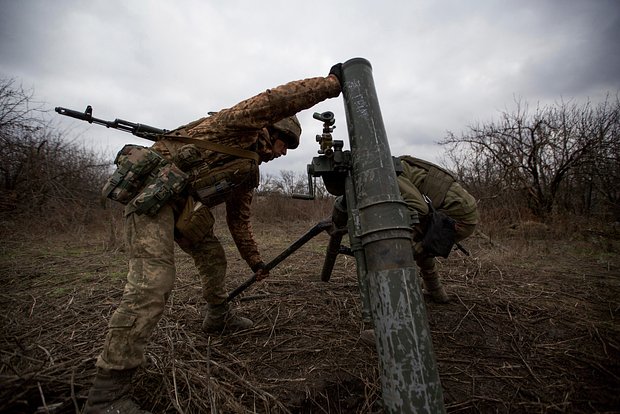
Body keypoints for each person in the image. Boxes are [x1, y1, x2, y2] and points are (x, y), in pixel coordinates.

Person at [84, 64, 344, 414]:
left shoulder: (248, 171)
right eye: (286, 144)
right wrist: (330, 85)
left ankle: (218, 316)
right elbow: (276, 99)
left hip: (181, 205)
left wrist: (255, 261)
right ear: (273, 129)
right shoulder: (235, 126)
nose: (283, 153)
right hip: (152, 196)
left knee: (212, 255)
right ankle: (106, 395)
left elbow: (239, 220)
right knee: (153, 282)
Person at [396, 155, 479, 303]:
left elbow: (419, 208)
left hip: (458, 219)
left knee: (410, 247)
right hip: (464, 213)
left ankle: (399, 292)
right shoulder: (400, 163)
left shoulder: (390, 171)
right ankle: (435, 291)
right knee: (423, 241)